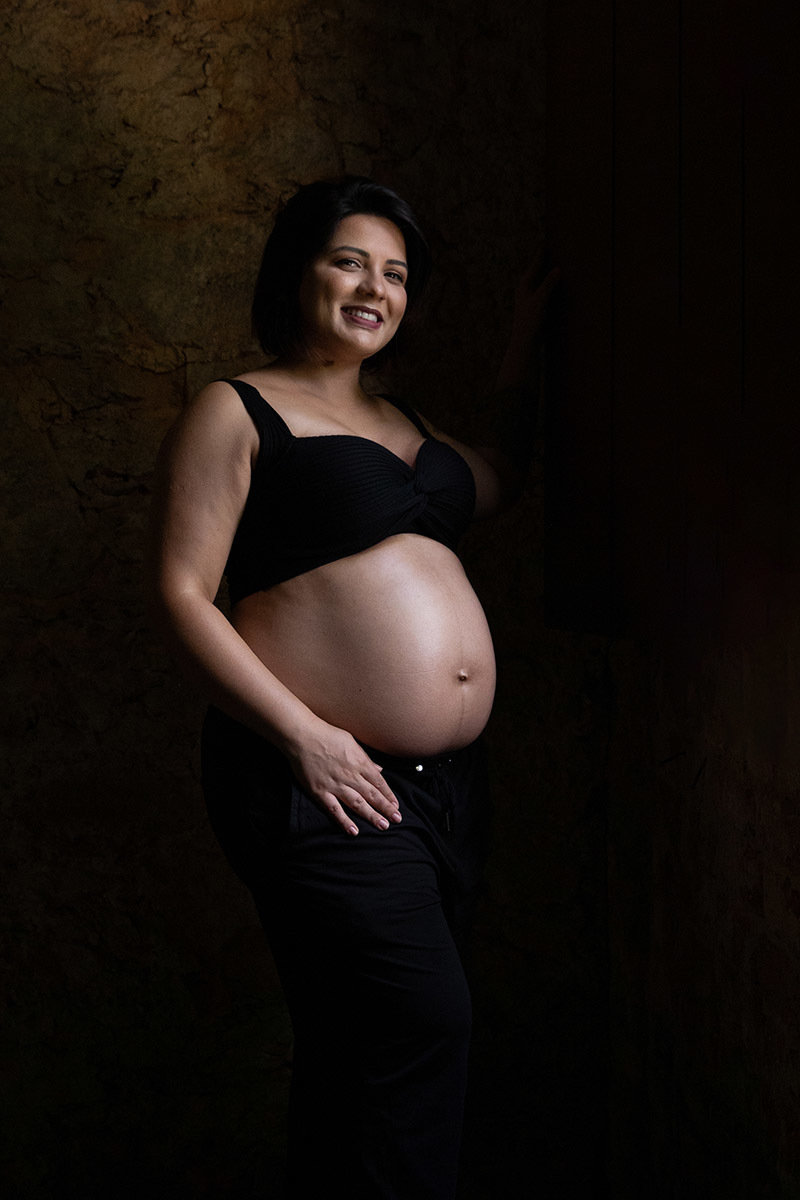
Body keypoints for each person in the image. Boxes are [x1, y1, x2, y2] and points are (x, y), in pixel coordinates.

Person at [148, 176, 557, 1199]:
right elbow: (182, 591)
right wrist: (304, 735)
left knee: (356, 1060)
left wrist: (525, 340)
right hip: (321, 780)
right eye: (349, 262)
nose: (375, 288)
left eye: (397, 274)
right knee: (420, 1028)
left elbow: (501, 470)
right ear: (298, 273)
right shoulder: (238, 408)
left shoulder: (403, 419)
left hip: (441, 791)